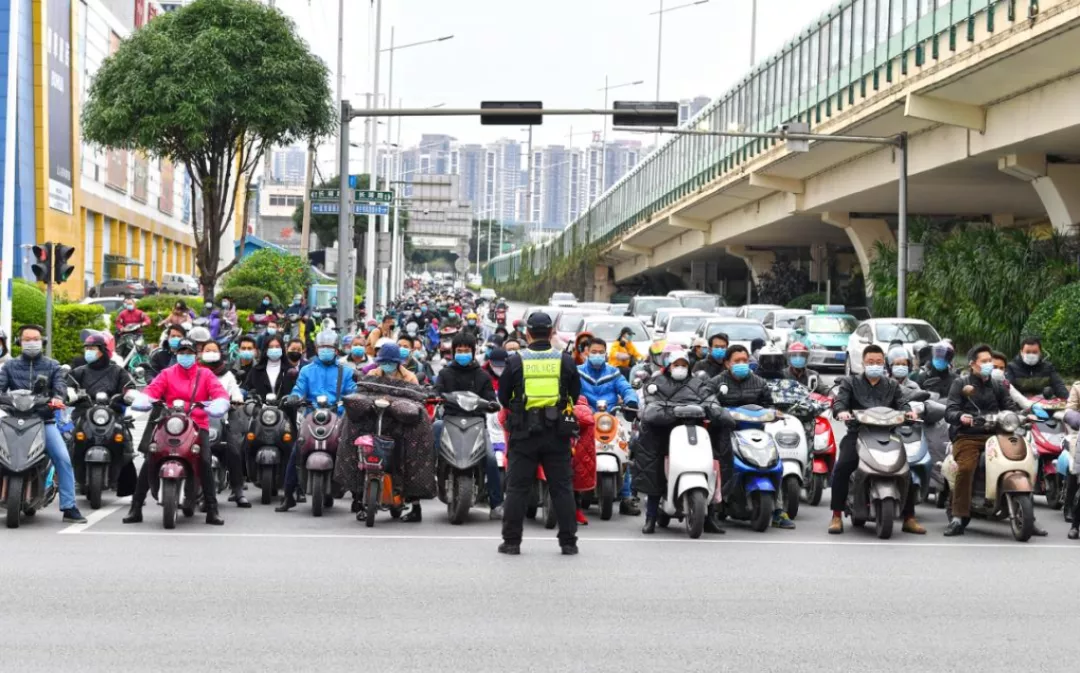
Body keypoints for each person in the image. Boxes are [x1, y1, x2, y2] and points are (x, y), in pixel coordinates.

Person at [497, 312, 581, 555]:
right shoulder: (565, 360)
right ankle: (568, 543)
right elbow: (574, 394)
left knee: (517, 488)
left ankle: (512, 542)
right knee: (562, 488)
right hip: (557, 433)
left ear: (528, 333)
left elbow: (503, 397)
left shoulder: (515, 361)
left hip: (524, 433)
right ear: (552, 332)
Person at [944, 344, 1046, 537]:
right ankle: (958, 517)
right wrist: (961, 417)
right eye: (984, 361)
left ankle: (1029, 519)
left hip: (997, 434)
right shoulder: (961, 383)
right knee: (966, 468)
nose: (989, 364)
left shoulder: (998, 385)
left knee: (1023, 460)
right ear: (973, 364)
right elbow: (950, 410)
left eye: (990, 361)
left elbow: (1009, 406)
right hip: (968, 435)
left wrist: (1025, 415)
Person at [125, 338, 230, 525]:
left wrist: (219, 403)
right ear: (176, 354)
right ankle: (136, 507)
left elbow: (219, 393)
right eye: (182, 352)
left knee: (205, 460)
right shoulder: (167, 374)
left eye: (189, 353)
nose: (185, 356)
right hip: (169, 423)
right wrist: (144, 399)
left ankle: (212, 510)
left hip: (197, 424)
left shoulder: (205, 374)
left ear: (195, 355)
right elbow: (152, 390)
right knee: (150, 457)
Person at [829, 344, 925, 535]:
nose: (875, 365)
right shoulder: (850, 383)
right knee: (843, 467)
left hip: (888, 434)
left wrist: (909, 413)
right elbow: (840, 402)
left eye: (879, 362)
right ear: (863, 363)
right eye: (871, 362)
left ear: (884, 365)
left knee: (907, 469)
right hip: (858, 433)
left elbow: (903, 403)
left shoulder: (892, 385)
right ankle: (836, 515)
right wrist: (842, 412)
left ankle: (909, 517)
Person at [0, 326, 85, 522]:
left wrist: (57, 398)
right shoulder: (10, 366)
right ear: (19, 342)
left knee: (62, 458)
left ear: (42, 341)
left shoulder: (52, 366)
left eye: (35, 338)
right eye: (27, 339)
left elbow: (60, 388)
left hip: (43, 421)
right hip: (12, 421)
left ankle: (69, 506)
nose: (31, 342)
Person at [707, 345, 794, 531]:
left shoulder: (759, 382)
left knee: (773, 462)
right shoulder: (716, 383)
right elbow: (708, 402)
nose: (741, 364)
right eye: (736, 361)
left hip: (756, 431)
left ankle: (778, 510)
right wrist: (719, 414)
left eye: (744, 361)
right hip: (725, 432)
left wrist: (775, 412)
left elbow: (769, 404)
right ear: (727, 363)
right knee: (719, 464)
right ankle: (712, 508)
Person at [636, 349, 723, 534]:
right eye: (677, 365)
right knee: (654, 468)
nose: (680, 368)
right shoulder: (656, 382)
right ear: (669, 366)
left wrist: (717, 412)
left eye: (684, 365)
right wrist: (675, 412)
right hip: (662, 435)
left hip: (693, 433)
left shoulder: (697, 384)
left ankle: (710, 516)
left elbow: (711, 401)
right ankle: (651, 517)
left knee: (714, 464)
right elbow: (651, 408)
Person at [275, 331, 358, 512]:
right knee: (297, 451)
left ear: (336, 350)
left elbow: (353, 391)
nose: (325, 351)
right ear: (317, 349)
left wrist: (352, 399)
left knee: (350, 450)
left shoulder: (346, 371)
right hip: (311, 416)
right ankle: (289, 495)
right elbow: (298, 390)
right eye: (322, 348)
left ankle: (358, 497)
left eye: (329, 348)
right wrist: (293, 398)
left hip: (338, 417)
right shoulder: (307, 370)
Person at [433, 331, 503, 521]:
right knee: (435, 427)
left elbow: (490, 397)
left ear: (473, 352)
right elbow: (436, 390)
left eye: (466, 350)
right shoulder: (445, 373)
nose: (462, 353)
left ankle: (496, 504)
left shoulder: (482, 376)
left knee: (490, 458)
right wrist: (436, 396)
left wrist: (492, 403)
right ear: (453, 351)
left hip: (476, 423)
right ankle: (427, 480)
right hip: (450, 421)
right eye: (459, 350)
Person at [579, 336, 640, 515]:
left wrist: (631, 400)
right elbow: (569, 390)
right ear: (586, 353)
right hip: (585, 421)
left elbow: (626, 388)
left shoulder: (613, 373)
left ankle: (627, 497)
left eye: (601, 352)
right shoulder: (577, 372)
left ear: (606, 354)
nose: (597, 355)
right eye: (593, 352)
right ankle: (573, 493)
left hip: (609, 420)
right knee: (573, 454)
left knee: (622, 451)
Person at [198, 339, 249, 507]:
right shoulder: (195, 371)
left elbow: (235, 392)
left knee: (233, 451)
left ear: (220, 353)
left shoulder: (227, 375)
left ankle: (238, 490)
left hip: (221, 420)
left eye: (214, 350)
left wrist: (237, 400)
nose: (211, 353)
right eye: (208, 350)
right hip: (197, 420)